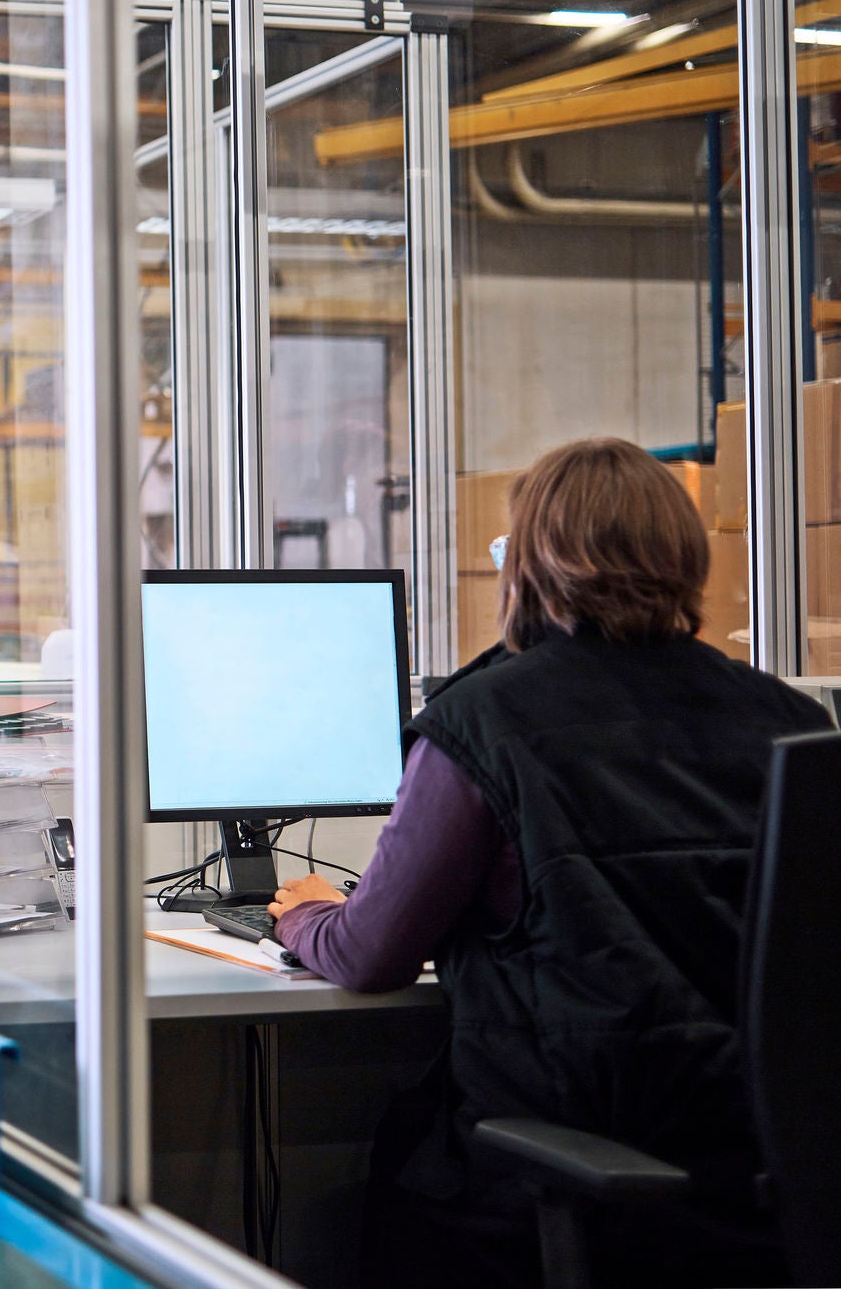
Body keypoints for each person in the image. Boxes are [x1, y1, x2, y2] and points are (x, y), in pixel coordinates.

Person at [267, 437, 833, 1288]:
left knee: (383, 1171)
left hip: (564, 1175)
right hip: (763, 1183)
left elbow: (371, 954)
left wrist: (305, 911)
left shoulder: (484, 722)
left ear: (528, 565)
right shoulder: (791, 719)